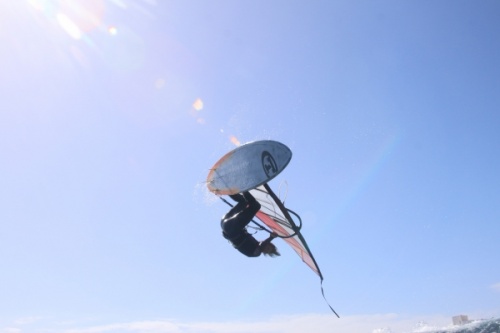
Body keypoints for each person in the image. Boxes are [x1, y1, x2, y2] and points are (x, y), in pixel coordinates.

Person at [221, 191, 280, 257]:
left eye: (267, 250)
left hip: (231, 229)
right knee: (243, 202)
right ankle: (227, 187)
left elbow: (261, 245)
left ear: (265, 253)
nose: (266, 247)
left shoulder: (255, 253)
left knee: (255, 205)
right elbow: (262, 244)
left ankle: (244, 188)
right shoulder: (256, 244)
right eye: (269, 246)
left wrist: (270, 238)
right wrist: (270, 238)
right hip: (226, 223)